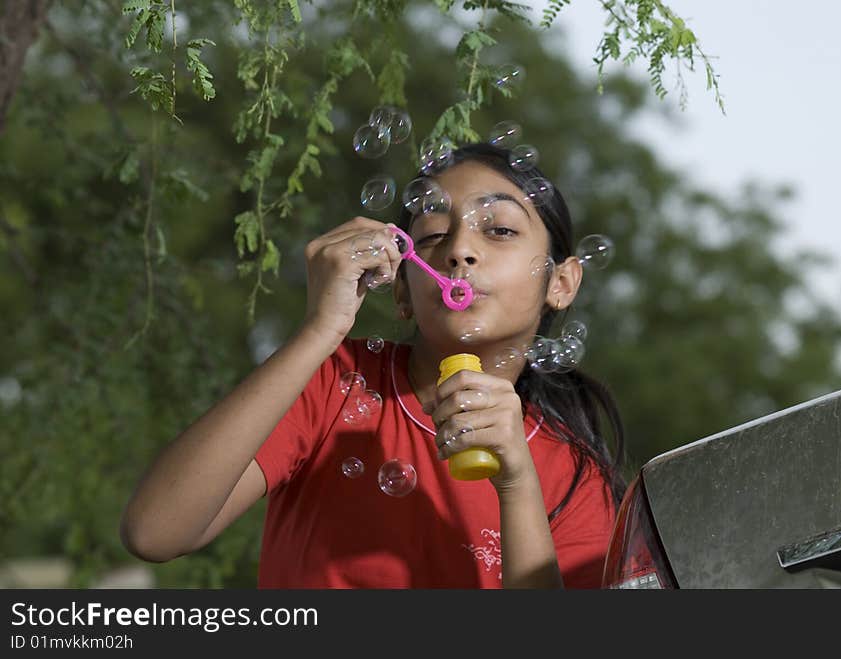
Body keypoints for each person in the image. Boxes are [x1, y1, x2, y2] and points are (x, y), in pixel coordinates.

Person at [120, 142, 628, 588]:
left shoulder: (576, 478)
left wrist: (516, 483)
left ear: (561, 282)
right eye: (430, 237)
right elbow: (156, 532)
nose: (459, 251)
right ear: (403, 291)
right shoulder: (337, 381)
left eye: (497, 229)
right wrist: (319, 331)